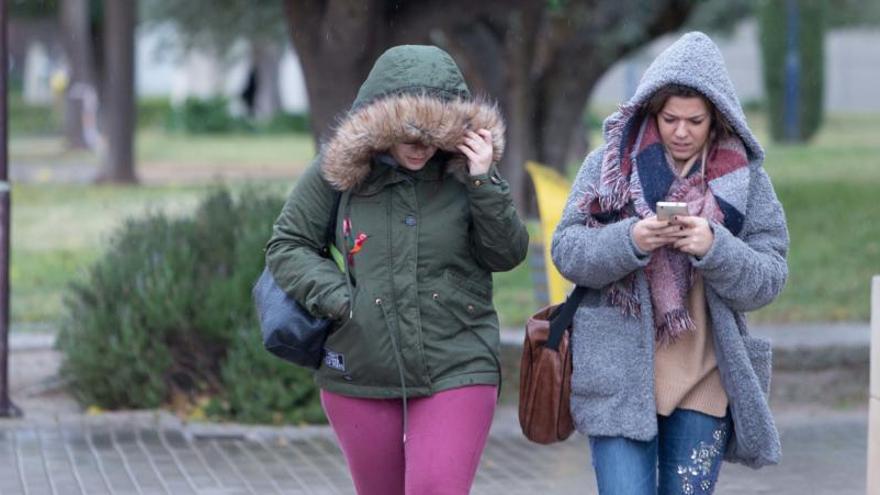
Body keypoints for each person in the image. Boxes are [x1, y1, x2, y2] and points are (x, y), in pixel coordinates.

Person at [265, 45, 528, 495]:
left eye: (434, 137)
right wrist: (345, 302)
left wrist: (484, 179)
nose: (423, 149)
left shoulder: (469, 172)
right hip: (361, 362)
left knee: (436, 488)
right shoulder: (340, 168)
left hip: (457, 359)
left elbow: (506, 254)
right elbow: (288, 245)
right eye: (410, 137)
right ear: (380, 124)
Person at [551, 32, 789, 494]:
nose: (681, 132)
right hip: (618, 380)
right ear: (651, 112)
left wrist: (714, 247)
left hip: (705, 381)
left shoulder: (747, 181)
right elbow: (567, 251)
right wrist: (631, 240)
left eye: (695, 121)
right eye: (670, 119)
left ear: (717, 117)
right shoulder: (608, 165)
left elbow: (770, 277)